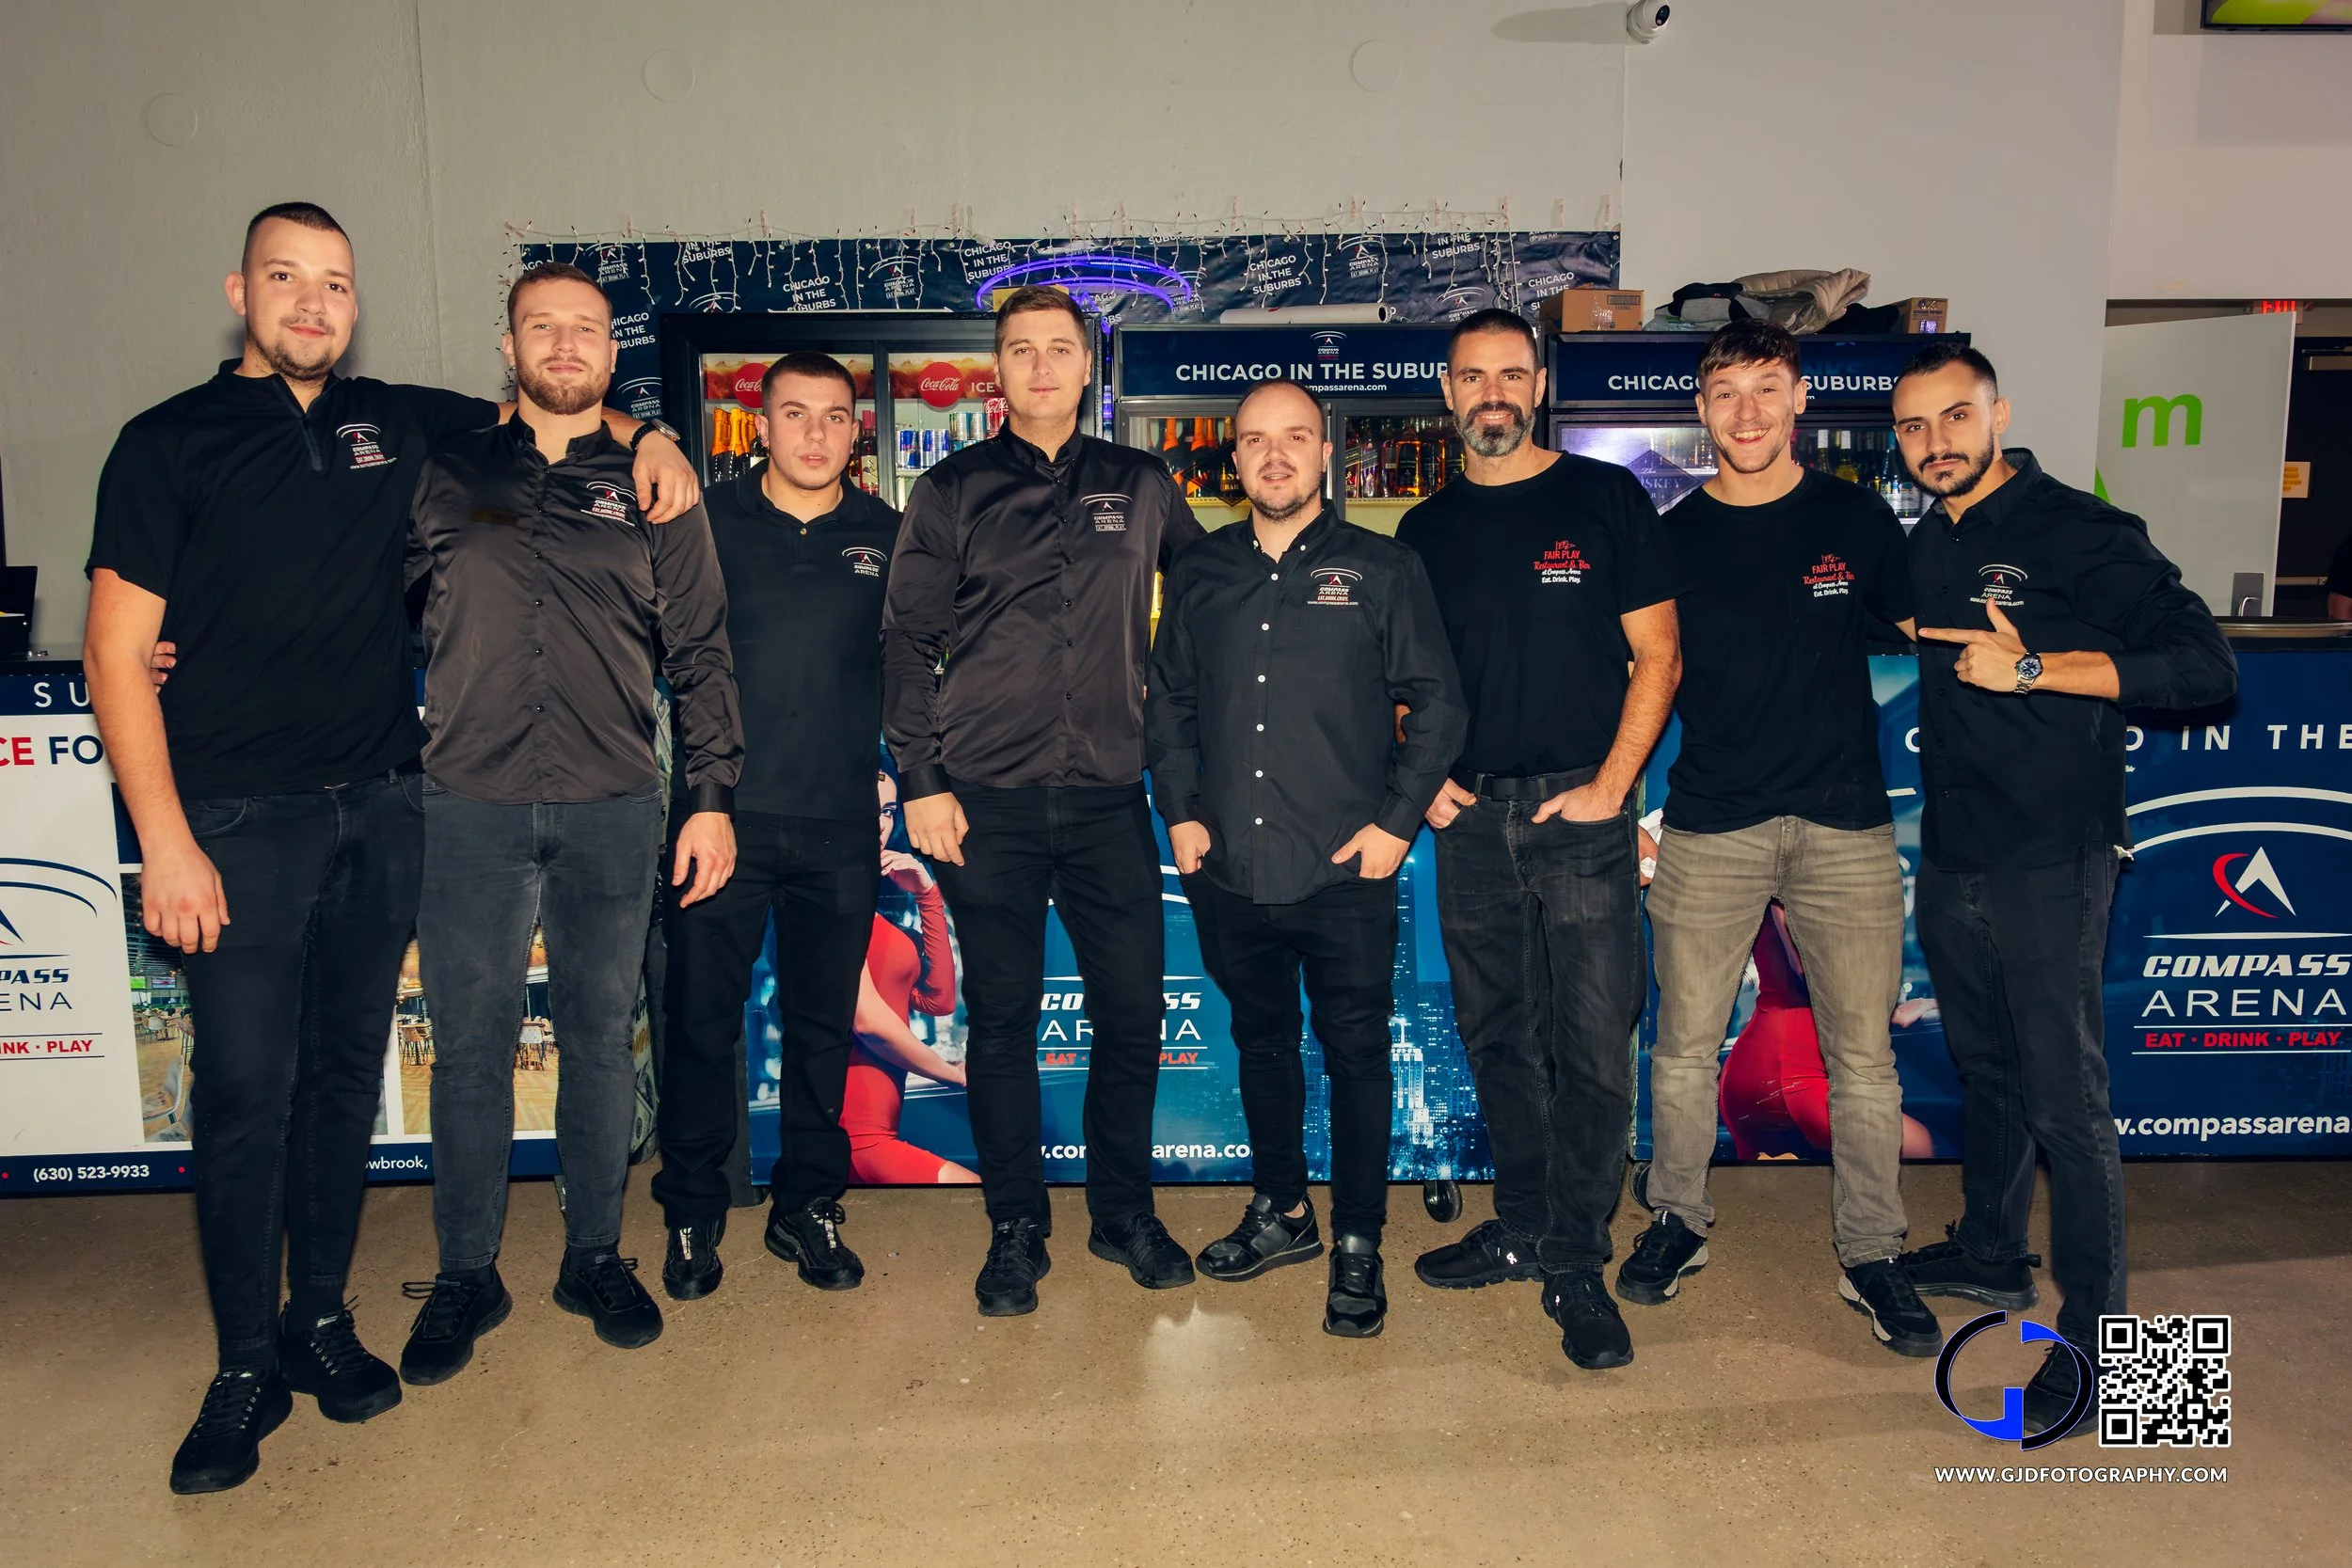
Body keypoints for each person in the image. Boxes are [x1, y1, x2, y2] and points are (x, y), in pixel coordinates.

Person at [84, 205, 695, 1496]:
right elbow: (113, 650)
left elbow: (557, 398)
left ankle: (318, 1317)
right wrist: (166, 842)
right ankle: (245, 1359)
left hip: (379, 803)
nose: (312, 304)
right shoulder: (166, 442)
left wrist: (652, 436)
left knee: (339, 1081)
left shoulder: (404, 426)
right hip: (238, 818)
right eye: (286, 279)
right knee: (248, 1088)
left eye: (336, 284)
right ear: (238, 287)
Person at [394, 262, 741, 1378]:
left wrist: (711, 799)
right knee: (472, 1048)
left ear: (610, 352)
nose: (562, 345)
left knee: (599, 1036)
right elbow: (359, 611)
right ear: (509, 346)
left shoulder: (655, 486)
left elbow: (700, 653)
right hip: (468, 803)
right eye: (540, 327)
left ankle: (593, 1251)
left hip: (611, 802)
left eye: (583, 329)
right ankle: (466, 1271)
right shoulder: (442, 474)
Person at [1892, 341, 2236, 1439]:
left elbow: (2205, 667)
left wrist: (2036, 665)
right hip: (1955, 850)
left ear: (1998, 412)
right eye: (1911, 427)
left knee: (2065, 1099)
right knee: (1985, 1066)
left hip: (2053, 856)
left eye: (1953, 418)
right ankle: (1992, 1250)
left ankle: (2103, 1350)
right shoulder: (1930, 539)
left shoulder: (2078, 527)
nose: (1933, 443)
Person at [882, 284, 1205, 1317]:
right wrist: (922, 780)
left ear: (1087, 365)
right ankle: (1016, 1223)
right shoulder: (952, 488)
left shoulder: (1142, 483)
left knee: (1128, 1012)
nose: (1040, 367)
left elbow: (1206, 610)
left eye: (1058, 349)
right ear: (999, 369)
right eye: (1019, 350)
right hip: (986, 801)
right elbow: (904, 641)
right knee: (1006, 1022)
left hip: (1112, 796)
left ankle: (1121, 1211)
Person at [1625, 320, 1943, 1357]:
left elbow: (1926, 641)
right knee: (1679, 1047)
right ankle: (1676, 1218)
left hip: (1846, 822)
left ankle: (1872, 1251)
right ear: (1702, 410)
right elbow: (1634, 672)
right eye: (1727, 392)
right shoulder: (1668, 535)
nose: (1748, 412)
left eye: (1767, 389)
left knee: (1861, 1058)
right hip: (1712, 818)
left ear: (1799, 399)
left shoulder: (1856, 520)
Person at [1146, 379, 1467, 1338]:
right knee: (1260, 1042)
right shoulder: (1199, 571)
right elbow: (1167, 700)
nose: (1274, 455)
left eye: (1294, 438)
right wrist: (1182, 812)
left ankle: (1359, 1240)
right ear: (1232, 459)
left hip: (1343, 869)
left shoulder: (1383, 567)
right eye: (1255, 441)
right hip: (1229, 866)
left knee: (1358, 1053)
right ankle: (1283, 1210)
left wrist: (1395, 823)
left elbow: (1438, 702)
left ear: (1326, 452)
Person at [1397, 309, 1681, 1370]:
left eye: (1510, 374)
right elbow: (1403, 683)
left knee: (1594, 1045)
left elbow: (1658, 654)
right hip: (1470, 822)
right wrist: (1423, 787)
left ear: (1538, 383)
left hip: (1580, 813)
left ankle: (1574, 1258)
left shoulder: (1606, 499)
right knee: (1499, 1040)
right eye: (1473, 378)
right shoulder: (1424, 530)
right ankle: (1520, 1223)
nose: (1492, 394)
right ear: (1449, 394)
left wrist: (1612, 787)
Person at [649, 352, 901, 1302]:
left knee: (821, 1028)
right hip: (721, 822)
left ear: (854, 430)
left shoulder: (888, 533)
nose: (813, 434)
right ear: (760, 425)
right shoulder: (703, 523)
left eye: (833, 417)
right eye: (793, 415)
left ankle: (807, 1202)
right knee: (701, 1021)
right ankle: (691, 1206)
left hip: (838, 821)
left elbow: (927, 664)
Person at [843, 769, 979, 1185]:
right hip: (857, 1136)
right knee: (984, 1205)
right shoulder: (837, 900)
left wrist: (927, 896)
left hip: (880, 1131)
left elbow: (938, 1000)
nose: (881, 823)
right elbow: (868, 1022)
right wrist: (956, 1075)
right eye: (869, 810)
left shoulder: (870, 908)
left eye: (887, 811)